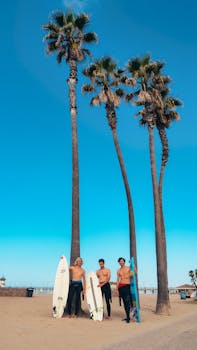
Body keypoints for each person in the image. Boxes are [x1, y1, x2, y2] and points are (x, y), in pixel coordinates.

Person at [116, 257, 131, 323]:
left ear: (124, 262)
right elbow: (118, 280)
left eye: (122, 261)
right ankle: (127, 316)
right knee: (124, 302)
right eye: (120, 261)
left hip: (127, 286)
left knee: (127, 301)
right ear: (119, 262)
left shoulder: (128, 268)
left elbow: (133, 275)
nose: (121, 262)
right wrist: (116, 288)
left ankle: (128, 317)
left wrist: (134, 268)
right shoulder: (118, 270)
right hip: (121, 287)